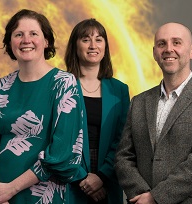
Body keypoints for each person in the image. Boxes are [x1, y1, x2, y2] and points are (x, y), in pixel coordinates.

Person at [0, 9, 87, 204]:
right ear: (10, 42)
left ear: (46, 41)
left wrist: (10, 189)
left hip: (42, 196)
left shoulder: (64, 84)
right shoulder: (2, 86)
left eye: (33, 33)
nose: (26, 40)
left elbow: (63, 152)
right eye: (18, 34)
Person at [115, 22, 192, 204]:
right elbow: (123, 156)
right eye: (162, 44)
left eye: (176, 43)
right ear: (154, 53)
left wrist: (156, 197)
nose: (169, 49)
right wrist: (142, 194)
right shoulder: (139, 101)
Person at [65, 19, 130, 204]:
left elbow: (123, 139)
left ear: (105, 46)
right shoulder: (61, 86)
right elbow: (58, 138)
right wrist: (83, 179)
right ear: (75, 45)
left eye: (99, 39)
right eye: (86, 39)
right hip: (71, 178)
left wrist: (101, 176)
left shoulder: (120, 90)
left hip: (108, 176)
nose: (93, 45)